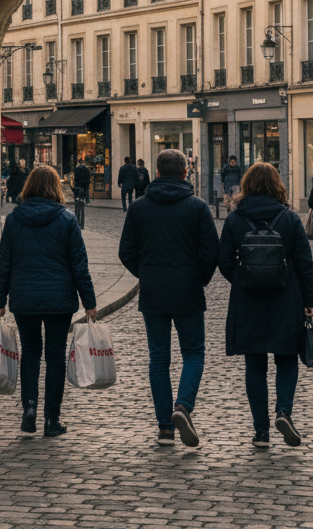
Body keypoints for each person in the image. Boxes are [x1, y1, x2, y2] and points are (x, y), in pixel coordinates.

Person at [119, 148, 219, 447]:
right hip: (188, 289)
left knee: (159, 359)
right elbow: (212, 252)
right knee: (194, 353)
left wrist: (146, 273)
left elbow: (126, 252)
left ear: (157, 173)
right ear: (185, 173)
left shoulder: (139, 208)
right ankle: (183, 406)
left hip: (154, 292)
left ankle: (165, 427)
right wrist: (198, 277)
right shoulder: (198, 207)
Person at [0, 166, 96, 439]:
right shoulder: (67, 219)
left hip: (24, 297)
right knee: (55, 356)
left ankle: (29, 408)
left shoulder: (14, 219)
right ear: (55, 188)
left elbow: (4, 263)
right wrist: (89, 302)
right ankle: (52, 418)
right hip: (59, 298)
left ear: (29, 186)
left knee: (30, 352)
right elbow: (79, 266)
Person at [218, 163, 313, 448]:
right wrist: (309, 300)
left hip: (248, 300)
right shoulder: (288, 218)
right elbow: (303, 262)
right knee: (286, 357)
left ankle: (261, 432)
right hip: (286, 297)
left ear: (247, 184)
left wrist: (243, 278)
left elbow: (224, 261)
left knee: (255, 364)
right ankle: (283, 411)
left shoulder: (235, 219)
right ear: (277, 185)